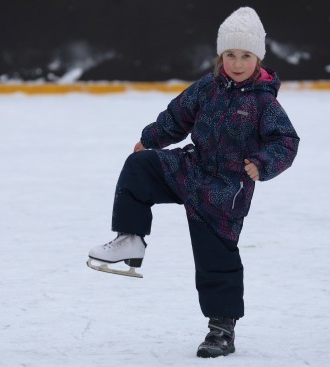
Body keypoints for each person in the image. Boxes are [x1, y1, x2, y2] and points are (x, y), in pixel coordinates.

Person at [87, 6, 299, 358]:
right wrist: (150, 139)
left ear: (258, 59)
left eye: (245, 55)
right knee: (139, 166)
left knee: (216, 259)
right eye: (230, 54)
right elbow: (176, 116)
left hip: (226, 190)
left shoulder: (265, 103)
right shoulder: (208, 87)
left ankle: (221, 330)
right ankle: (130, 240)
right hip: (191, 168)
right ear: (221, 55)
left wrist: (262, 164)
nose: (236, 62)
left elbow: (286, 142)